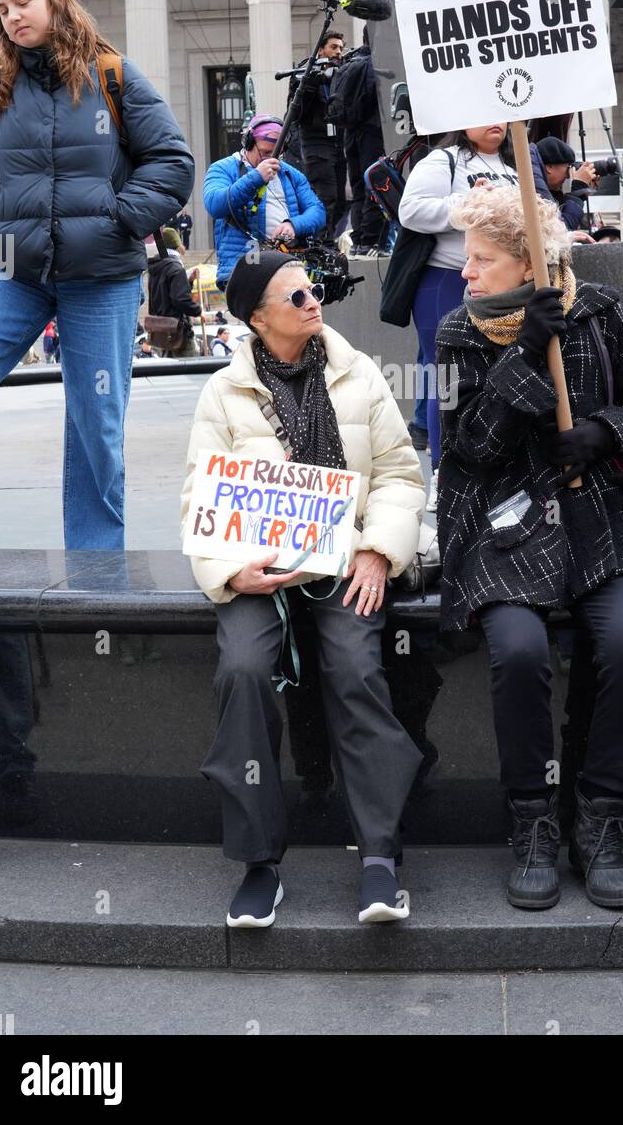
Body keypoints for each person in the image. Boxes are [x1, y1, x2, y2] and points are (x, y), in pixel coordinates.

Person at [434, 185, 623, 911]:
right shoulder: (457, 332)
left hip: (600, 514)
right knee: (521, 652)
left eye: (481, 260)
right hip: (505, 525)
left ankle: (599, 818)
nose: (465, 273)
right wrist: (529, 348)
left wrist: (602, 435)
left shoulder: (597, 309)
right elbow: (470, 446)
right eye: (465, 258)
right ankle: (532, 821)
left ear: (528, 262)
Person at [181, 250, 425, 928]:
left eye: (313, 290)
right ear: (259, 318)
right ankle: (260, 863)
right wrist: (231, 572)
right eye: (295, 297)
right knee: (243, 672)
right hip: (259, 575)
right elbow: (201, 497)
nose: (313, 301)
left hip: (345, 563)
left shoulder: (358, 372)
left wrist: (379, 552)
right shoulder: (223, 393)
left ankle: (380, 855)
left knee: (355, 668)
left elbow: (402, 478)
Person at [0, 0, 194, 549]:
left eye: (24, 1)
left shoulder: (112, 73)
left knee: (96, 425)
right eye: (2, 8)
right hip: (13, 266)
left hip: (101, 274)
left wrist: (118, 219)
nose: (14, 16)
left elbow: (172, 162)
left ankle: (96, 574)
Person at [398, 122, 518, 508]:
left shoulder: (514, 166)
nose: (497, 123)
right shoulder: (442, 161)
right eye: (486, 115)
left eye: (502, 116)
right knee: (443, 375)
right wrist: (468, 205)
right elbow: (411, 210)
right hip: (445, 279)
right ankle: (441, 472)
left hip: (505, 286)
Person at [203, 114, 325, 290]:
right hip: (246, 268)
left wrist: (293, 225)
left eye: (277, 152)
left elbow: (317, 211)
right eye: (265, 152)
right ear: (248, 144)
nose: (271, 158)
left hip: (288, 266)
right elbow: (214, 204)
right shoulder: (223, 168)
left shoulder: (291, 174)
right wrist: (256, 177)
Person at [288, 31, 348, 235]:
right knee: (326, 198)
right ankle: (323, 244)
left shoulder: (341, 74)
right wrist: (312, 81)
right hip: (316, 145)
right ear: (321, 49)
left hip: (339, 145)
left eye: (341, 47)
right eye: (333, 47)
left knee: (340, 199)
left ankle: (325, 239)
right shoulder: (306, 75)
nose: (338, 52)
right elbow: (295, 113)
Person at [334, 29, 387, 255]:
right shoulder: (376, 65)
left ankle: (359, 241)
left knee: (357, 189)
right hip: (371, 132)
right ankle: (370, 241)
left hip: (350, 134)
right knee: (374, 185)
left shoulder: (347, 66)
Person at [147, 227, 202, 358]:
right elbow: (180, 299)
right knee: (190, 371)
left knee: (168, 374)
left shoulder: (155, 267)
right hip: (177, 330)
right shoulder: (176, 268)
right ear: (177, 245)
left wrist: (188, 281)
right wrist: (197, 310)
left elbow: (168, 294)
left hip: (160, 331)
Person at [532, 137, 598, 240]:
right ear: (549, 167)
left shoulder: (552, 195)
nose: (568, 176)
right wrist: (579, 188)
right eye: (568, 169)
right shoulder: (535, 195)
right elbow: (562, 229)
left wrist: (584, 189)